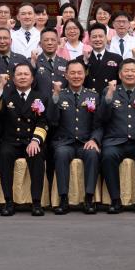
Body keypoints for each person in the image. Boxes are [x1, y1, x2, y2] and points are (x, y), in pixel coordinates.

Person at [99, 59, 135, 214]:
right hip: (115, 141)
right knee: (108, 156)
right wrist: (109, 97)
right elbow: (102, 118)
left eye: (133, 71)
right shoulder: (109, 92)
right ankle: (115, 200)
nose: (130, 73)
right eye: (126, 70)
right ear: (120, 74)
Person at [0, 64, 48, 217]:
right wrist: (0, 87)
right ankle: (8, 201)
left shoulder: (41, 97)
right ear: (13, 79)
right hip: (11, 140)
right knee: (4, 155)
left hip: (31, 140)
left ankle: (36, 202)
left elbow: (43, 122)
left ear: (32, 78)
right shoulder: (6, 95)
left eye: (26, 74)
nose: (22, 77)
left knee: (37, 156)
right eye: (19, 74)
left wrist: (36, 140)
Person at [48, 59, 102, 215]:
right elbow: (52, 120)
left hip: (86, 141)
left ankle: (89, 198)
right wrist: (55, 97)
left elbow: (98, 125)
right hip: (64, 142)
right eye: (72, 73)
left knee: (93, 154)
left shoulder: (93, 96)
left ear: (85, 74)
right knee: (61, 154)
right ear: (66, 75)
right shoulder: (60, 94)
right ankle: (63, 199)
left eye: (79, 72)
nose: (76, 76)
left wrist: (94, 140)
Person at [79, 23, 121, 92]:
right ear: (89, 39)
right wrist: (86, 62)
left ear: (106, 38)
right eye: (94, 37)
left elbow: (120, 83)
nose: (98, 39)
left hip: (109, 98)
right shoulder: (80, 59)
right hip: (88, 99)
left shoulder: (117, 59)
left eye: (101, 36)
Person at [33, 28, 68, 97]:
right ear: (40, 44)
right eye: (46, 40)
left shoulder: (65, 63)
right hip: (40, 104)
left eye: (53, 40)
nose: (50, 43)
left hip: (61, 104)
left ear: (58, 43)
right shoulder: (34, 61)